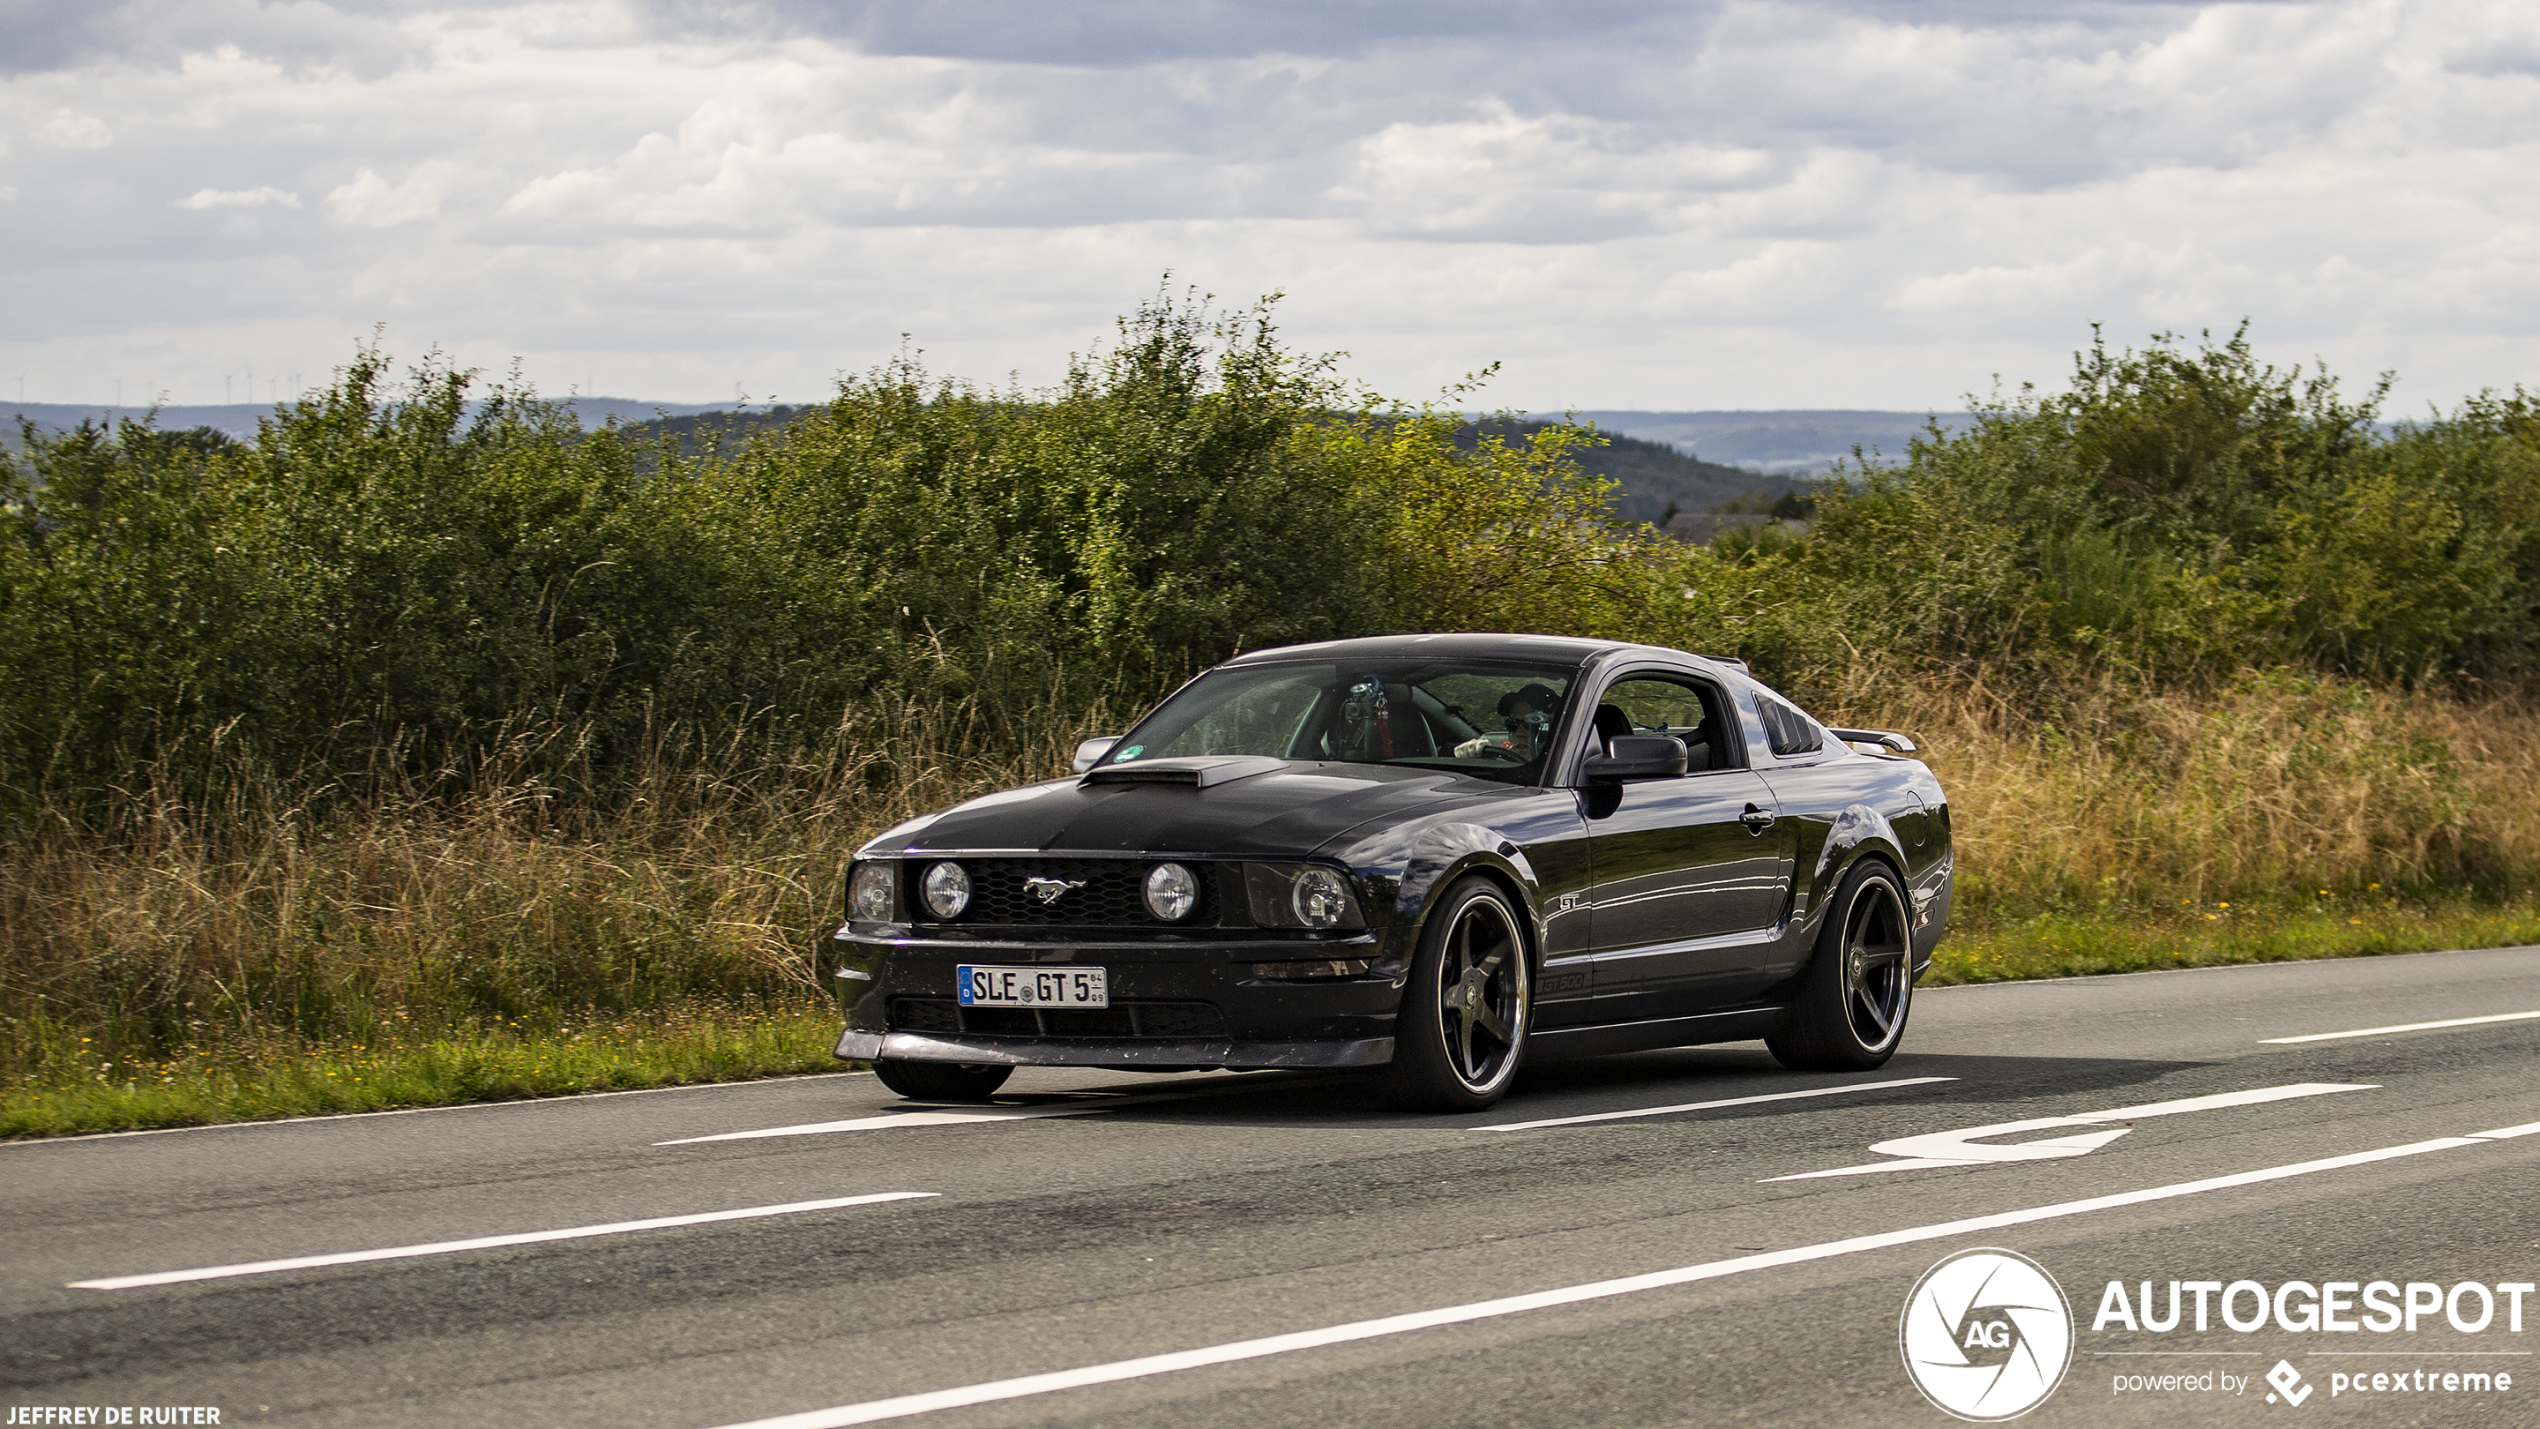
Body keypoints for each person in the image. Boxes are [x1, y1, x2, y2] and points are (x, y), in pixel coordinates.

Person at [1455, 684, 1561, 761]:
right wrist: (1476, 753)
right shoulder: (1504, 763)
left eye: (1531, 724)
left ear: (1555, 728)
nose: (1518, 733)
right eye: (1512, 724)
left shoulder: (1567, 768)